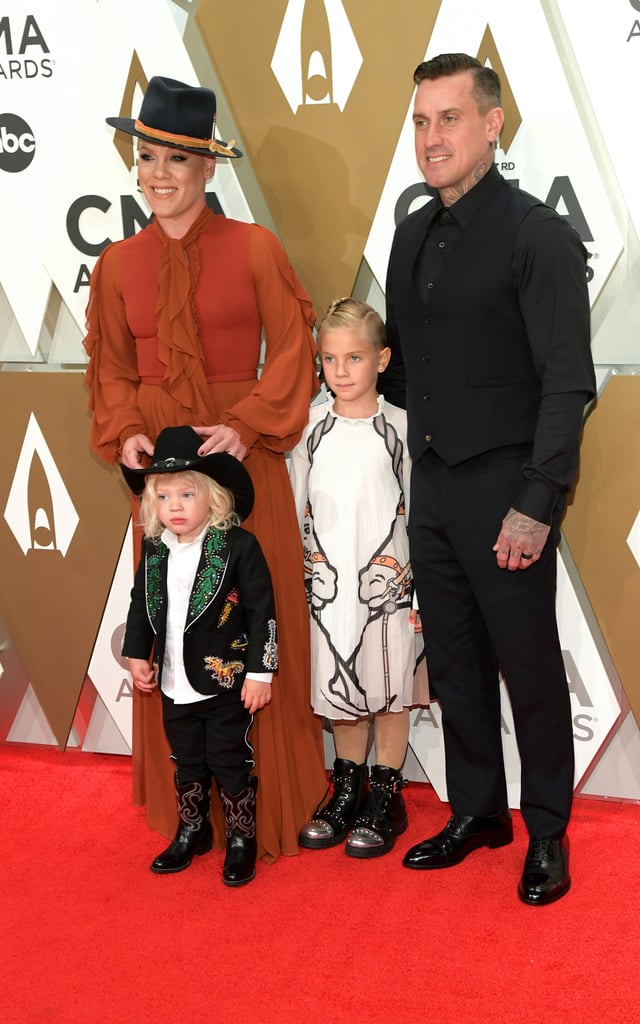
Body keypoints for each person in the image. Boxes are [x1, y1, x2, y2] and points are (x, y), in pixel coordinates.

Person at [83, 75, 326, 863]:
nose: (157, 173)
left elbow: (294, 348)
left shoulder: (254, 247)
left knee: (251, 619)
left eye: (176, 159)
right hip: (164, 478)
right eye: (146, 155)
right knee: (173, 619)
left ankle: (266, 807)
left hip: (240, 461)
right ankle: (193, 813)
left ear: (209, 168)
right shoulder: (117, 263)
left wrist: (248, 422)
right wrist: (123, 429)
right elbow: (111, 369)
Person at [380, 53, 596, 904]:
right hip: (431, 486)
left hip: (507, 490)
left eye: (450, 119)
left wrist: (536, 504)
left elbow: (568, 382)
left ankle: (547, 829)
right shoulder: (408, 233)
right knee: (458, 663)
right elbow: (412, 368)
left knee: (530, 667)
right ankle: (478, 810)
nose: (432, 138)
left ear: (492, 124)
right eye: (421, 122)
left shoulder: (536, 233)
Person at [290, 298, 425, 858]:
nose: (340, 372)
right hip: (328, 583)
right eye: (329, 359)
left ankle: (386, 792)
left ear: (383, 359)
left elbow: (418, 507)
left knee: (389, 685)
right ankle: (347, 785)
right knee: (342, 683)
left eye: (354, 358)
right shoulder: (308, 429)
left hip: (389, 582)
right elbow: (299, 504)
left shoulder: (402, 427)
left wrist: (410, 578)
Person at [121, 426, 276, 886]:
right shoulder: (153, 550)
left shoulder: (237, 546)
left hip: (225, 681)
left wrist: (260, 673)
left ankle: (241, 837)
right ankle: (193, 828)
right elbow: (139, 603)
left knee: (229, 759)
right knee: (186, 759)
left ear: (213, 497)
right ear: (152, 503)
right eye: (164, 496)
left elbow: (262, 611)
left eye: (187, 494)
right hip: (172, 683)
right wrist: (135, 655)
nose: (175, 506)